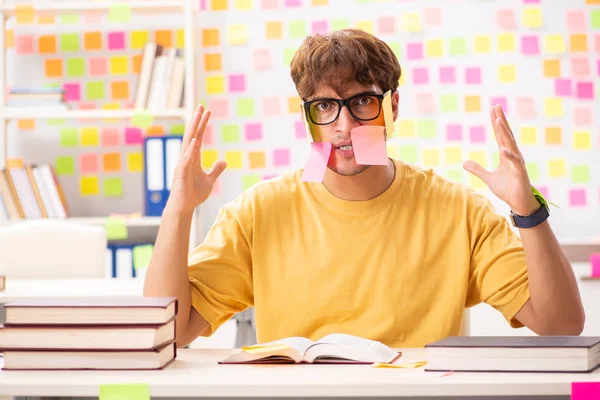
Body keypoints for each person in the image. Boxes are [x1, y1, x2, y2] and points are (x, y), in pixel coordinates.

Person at [144, 29, 584, 348]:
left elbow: (561, 324)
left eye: (362, 102)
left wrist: (529, 210)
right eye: (325, 107)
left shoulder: (458, 210)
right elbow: (169, 332)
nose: (345, 126)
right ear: (308, 118)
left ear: (392, 106)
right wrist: (177, 211)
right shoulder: (258, 212)